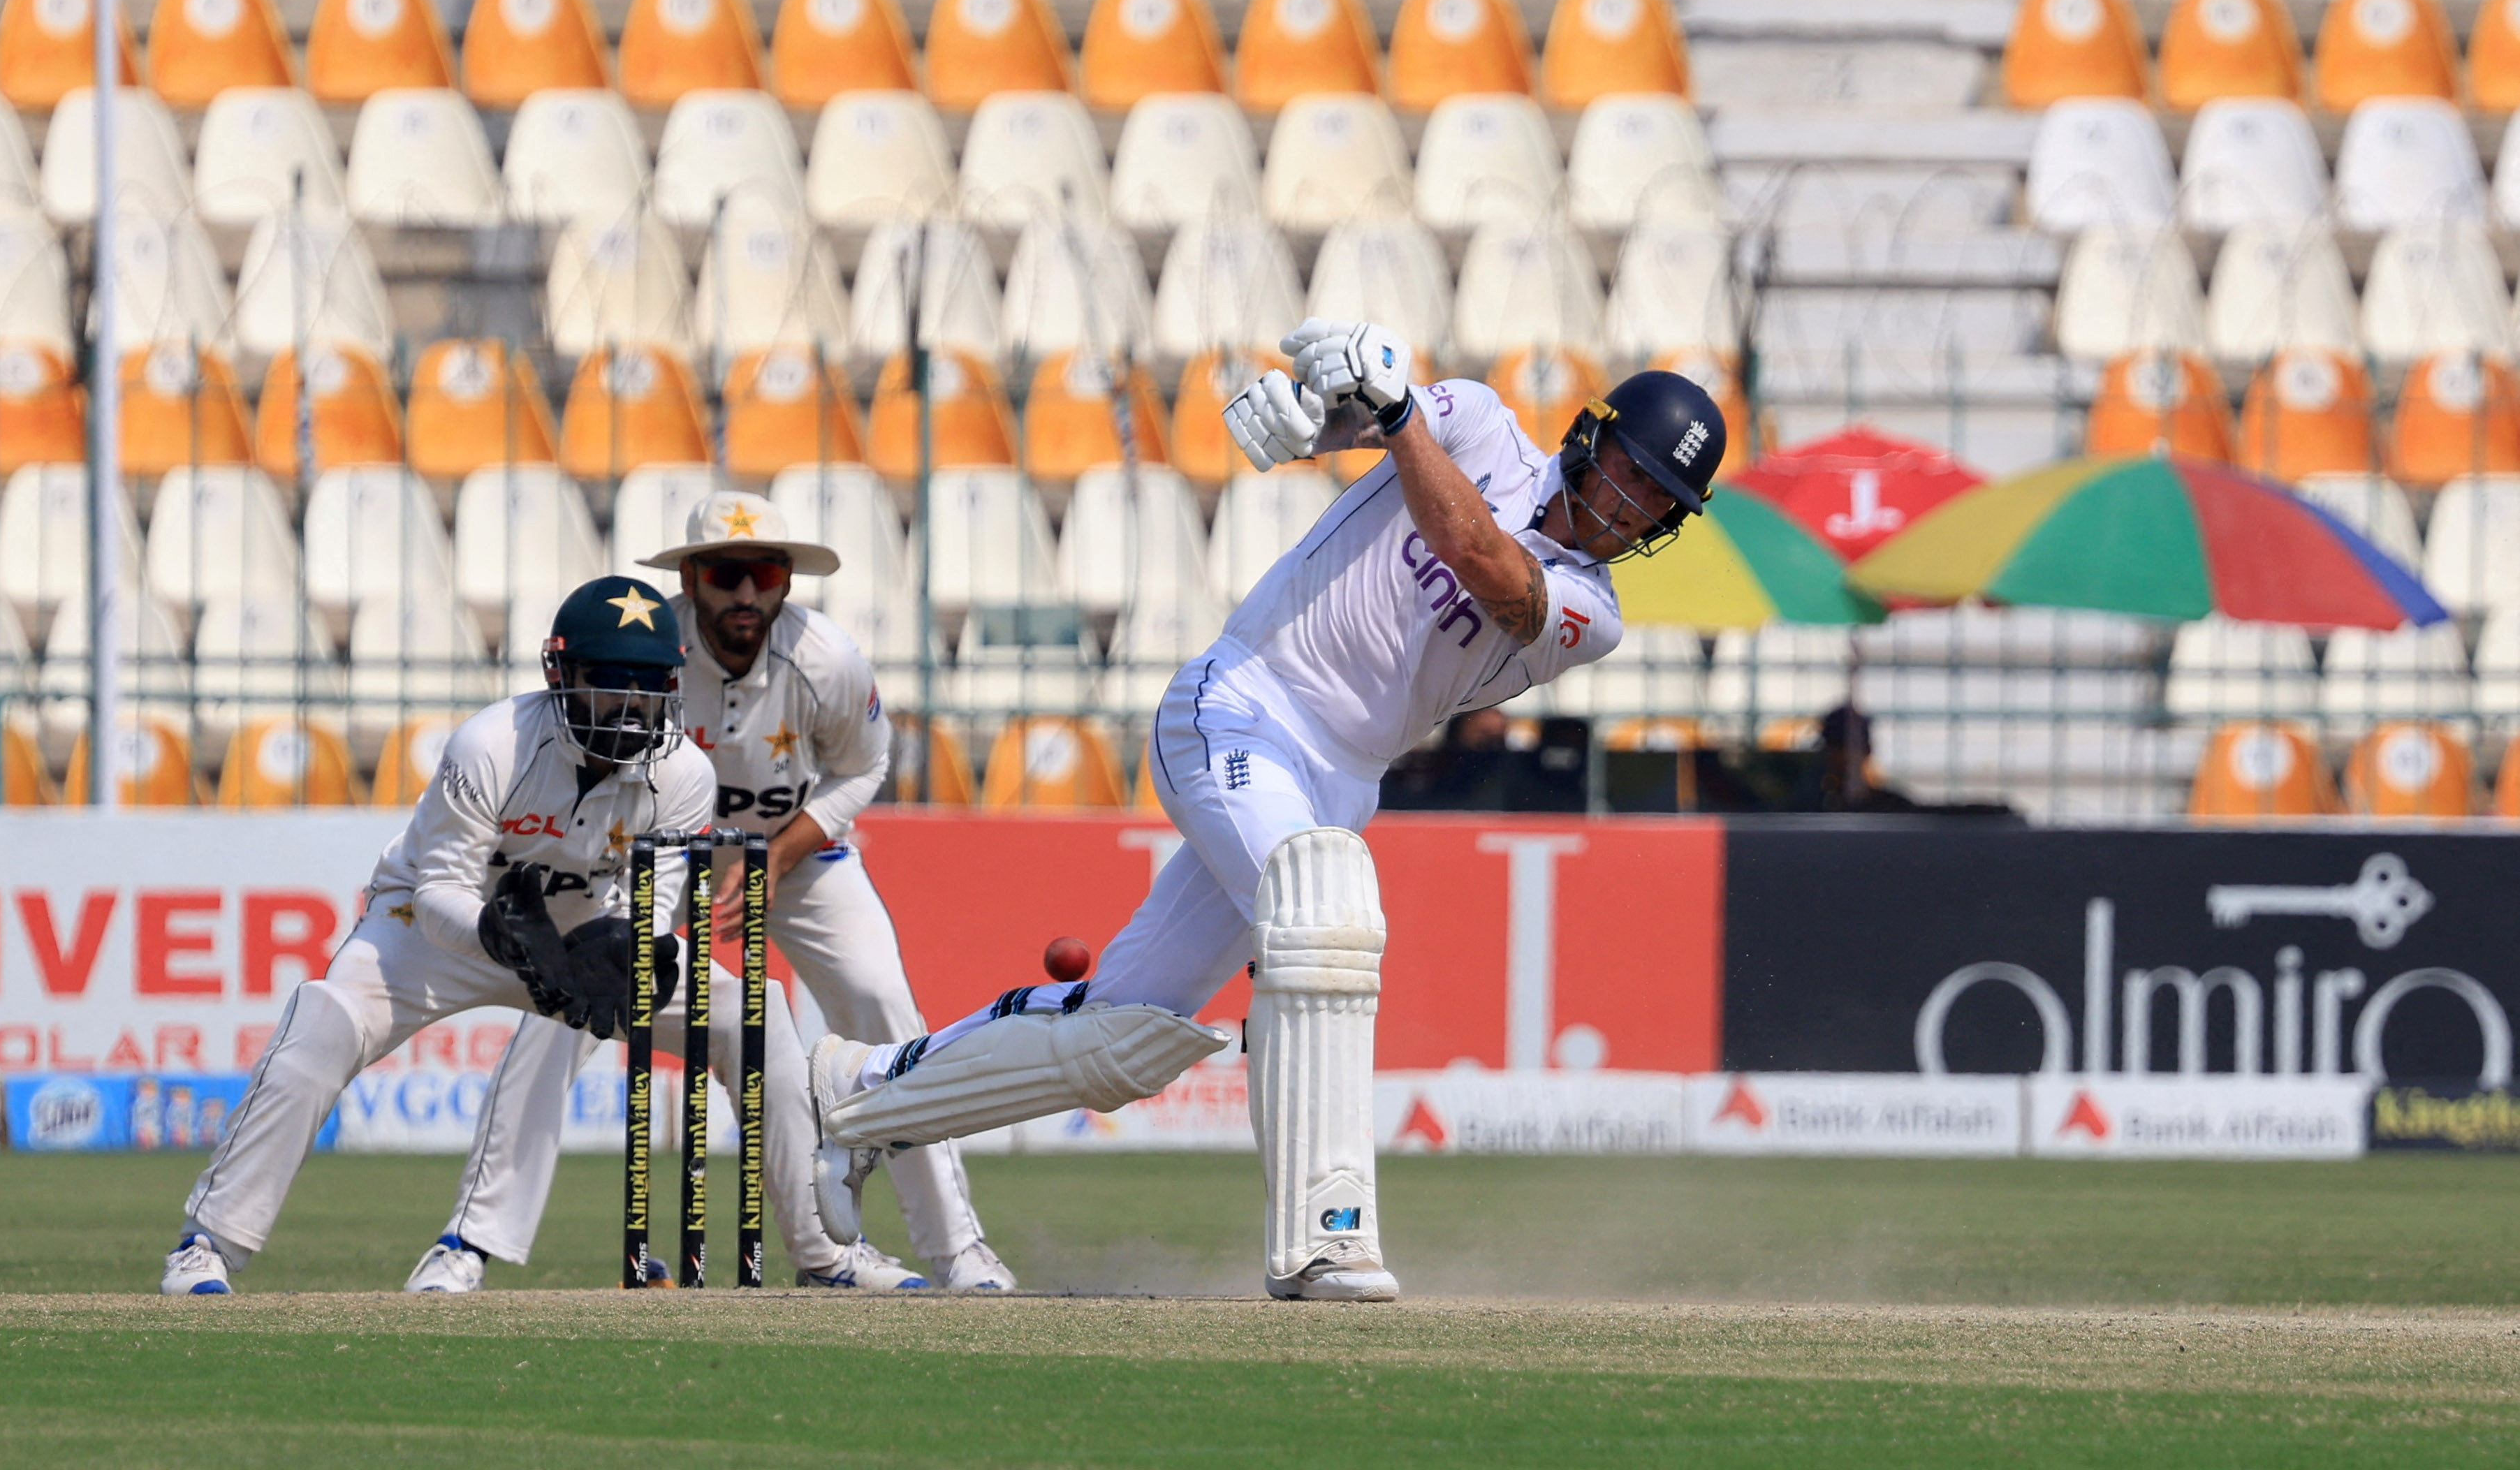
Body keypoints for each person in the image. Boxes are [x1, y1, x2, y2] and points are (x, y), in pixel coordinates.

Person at [805, 323, 1726, 1301]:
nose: (1630, 509)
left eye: (1657, 504)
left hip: (1339, 780)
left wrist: (1393, 414)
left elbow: (1484, 562)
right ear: (1591, 437)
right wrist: (1318, 410)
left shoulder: (1591, 610)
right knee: (1320, 921)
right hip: (1243, 702)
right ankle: (1327, 1236)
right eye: (1629, 475)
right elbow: (1354, 426)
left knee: (1121, 1039)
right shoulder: (1480, 423)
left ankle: (859, 1094)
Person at [402, 492, 1016, 1294]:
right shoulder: (646, 649)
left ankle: (952, 1247)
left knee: (879, 999)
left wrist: (780, 853)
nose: (747, 594)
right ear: (691, 579)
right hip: (644, 853)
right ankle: (468, 1243)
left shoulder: (827, 658)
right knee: (565, 1005)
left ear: (787, 580)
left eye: (766, 573)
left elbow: (865, 763)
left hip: (797, 854)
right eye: (727, 574)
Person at [161, 575, 716, 1295]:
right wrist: (501, 933)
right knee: (327, 1020)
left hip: (578, 932)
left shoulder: (686, 775)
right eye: (611, 679)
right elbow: (437, 893)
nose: (631, 703)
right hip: (437, 924)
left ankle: (825, 1251)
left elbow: (654, 907)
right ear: (562, 675)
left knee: (744, 1013)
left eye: (649, 683)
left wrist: (631, 951)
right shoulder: (492, 744)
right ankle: (205, 1243)